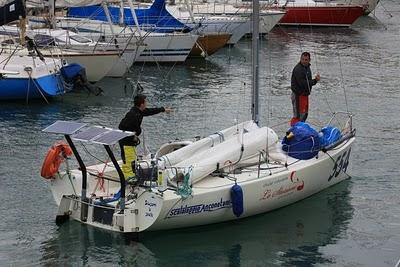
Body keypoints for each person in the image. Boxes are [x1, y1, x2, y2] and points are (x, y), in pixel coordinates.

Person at [118, 94, 172, 178]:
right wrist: (133, 134)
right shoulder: (132, 114)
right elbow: (121, 126)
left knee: (132, 160)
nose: (147, 103)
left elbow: (150, 111)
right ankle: (128, 180)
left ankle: (131, 176)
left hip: (131, 142)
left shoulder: (139, 111)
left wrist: (163, 109)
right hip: (126, 142)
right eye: (146, 102)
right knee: (128, 162)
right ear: (142, 104)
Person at [290, 52, 320, 126]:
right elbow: (302, 83)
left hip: (305, 95)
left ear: (309, 60)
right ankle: (293, 132)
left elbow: (308, 81)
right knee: (298, 115)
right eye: (302, 59)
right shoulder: (298, 69)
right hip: (298, 95)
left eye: (306, 60)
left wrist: (315, 81)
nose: (304, 61)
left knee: (304, 114)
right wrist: (315, 81)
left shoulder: (307, 67)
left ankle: (301, 129)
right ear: (300, 59)